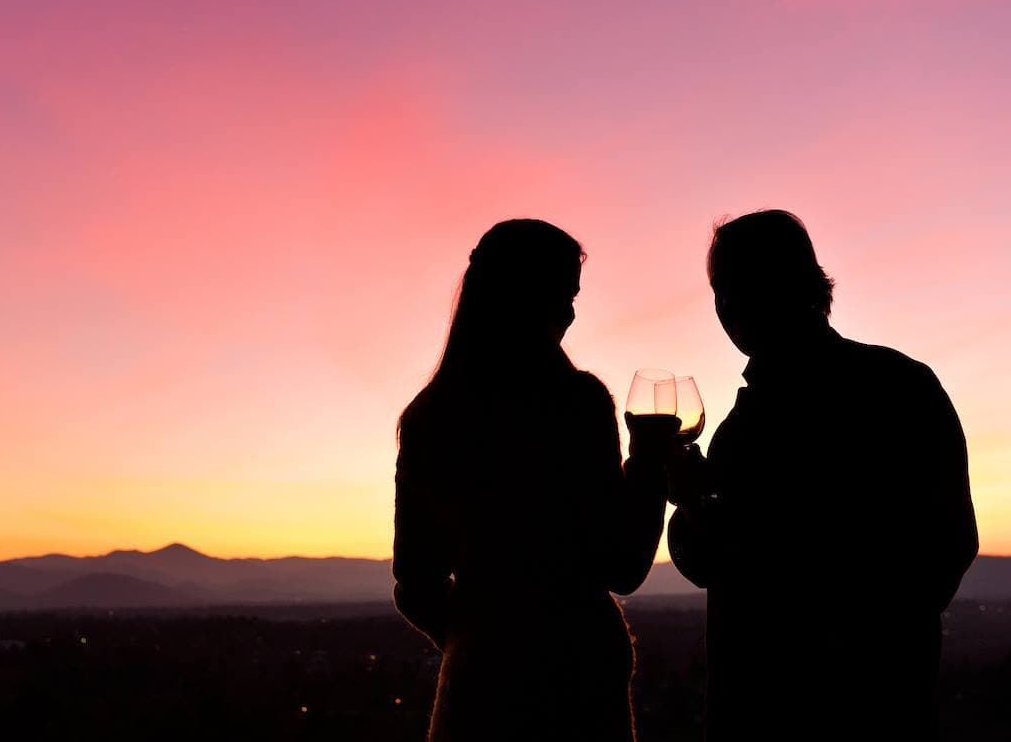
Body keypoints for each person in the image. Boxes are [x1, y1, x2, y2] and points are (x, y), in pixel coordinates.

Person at [667, 210, 979, 741]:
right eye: (719, 289)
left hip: (849, 707)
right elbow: (709, 558)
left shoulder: (892, 390)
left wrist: (707, 511)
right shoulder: (894, 384)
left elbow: (937, 549)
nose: (724, 306)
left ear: (793, 283)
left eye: (739, 284)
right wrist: (696, 505)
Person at [393, 219, 675, 741]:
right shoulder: (576, 404)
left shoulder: (429, 418)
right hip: (579, 693)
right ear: (525, 297)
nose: (569, 313)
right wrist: (649, 463)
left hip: (475, 697)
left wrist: (478, 639)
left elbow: (415, 585)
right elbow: (624, 565)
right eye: (561, 295)